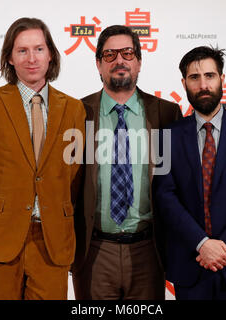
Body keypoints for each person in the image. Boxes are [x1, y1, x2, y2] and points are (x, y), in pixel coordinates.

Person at [0, 17, 85, 300]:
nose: (32, 58)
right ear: (10, 58)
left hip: (52, 242)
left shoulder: (74, 109)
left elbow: (74, 174)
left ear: (50, 54)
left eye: (39, 49)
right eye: (22, 50)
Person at [153, 46, 226, 300]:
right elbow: (165, 196)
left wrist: (222, 247)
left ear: (222, 80)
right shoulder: (166, 136)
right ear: (184, 83)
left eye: (210, 75)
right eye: (195, 78)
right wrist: (202, 244)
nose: (203, 84)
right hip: (190, 261)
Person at [71, 25, 182, 300]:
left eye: (128, 53)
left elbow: (179, 182)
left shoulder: (166, 114)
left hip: (148, 250)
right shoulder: (77, 113)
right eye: (109, 55)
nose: (119, 60)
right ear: (98, 64)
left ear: (139, 62)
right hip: (94, 251)